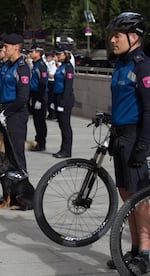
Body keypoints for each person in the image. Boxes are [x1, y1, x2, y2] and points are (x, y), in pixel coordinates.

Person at [105, 12, 150, 274]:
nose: (112, 39)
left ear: (134, 38)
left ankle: (144, 253)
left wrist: (143, 145)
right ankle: (134, 249)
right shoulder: (121, 65)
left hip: (136, 137)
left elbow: (149, 108)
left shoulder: (142, 66)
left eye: (117, 35)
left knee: (141, 197)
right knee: (126, 194)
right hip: (121, 135)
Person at [0, 33, 30, 174]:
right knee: (9, 154)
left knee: (17, 154)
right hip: (5, 110)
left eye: (6, 46)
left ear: (16, 47)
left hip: (15, 113)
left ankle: (22, 190)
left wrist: (7, 113)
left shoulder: (21, 68)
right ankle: (10, 192)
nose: (4, 50)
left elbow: (23, 97)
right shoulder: (7, 65)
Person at [52, 47, 75, 158]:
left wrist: (63, 102)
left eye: (60, 54)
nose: (58, 56)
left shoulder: (69, 68)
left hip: (64, 98)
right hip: (58, 97)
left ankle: (67, 150)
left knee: (65, 126)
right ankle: (63, 148)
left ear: (66, 55)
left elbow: (68, 87)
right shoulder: (61, 67)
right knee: (61, 125)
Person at [28, 45, 49, 151]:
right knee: (36, 120)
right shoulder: (35, 65)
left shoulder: (41, 66)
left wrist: (40, 99)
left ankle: (41, 143)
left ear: (38, 53)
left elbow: (43, 83)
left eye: (32, 51)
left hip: (40, 95)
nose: (30, 53)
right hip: (34, 94)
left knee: (40, 120)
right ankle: (38, 140)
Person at [44, 51, 57, 120]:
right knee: (48, 99)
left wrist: (46, 74)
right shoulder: (46, 63)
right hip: (47, 82)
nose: (47, 58)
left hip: (52, 82)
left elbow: (52, 75)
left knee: (51, 99)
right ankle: (50, 113)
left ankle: (53, 113)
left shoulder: (53, 64)